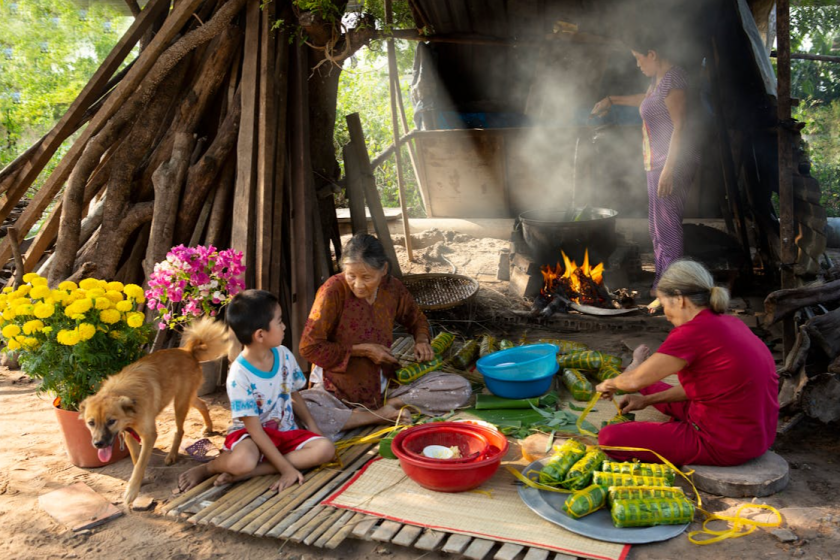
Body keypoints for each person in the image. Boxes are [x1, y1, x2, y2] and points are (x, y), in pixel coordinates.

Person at [594, 260, 778, 466]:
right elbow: (700, 389)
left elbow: (632, 383)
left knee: (610, 437)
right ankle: (638, 372)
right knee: (653, 386)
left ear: (679, 299)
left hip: (724, 443)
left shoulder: (691, 333)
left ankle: (637, 372)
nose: (666, 315)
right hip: (756, 435)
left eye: (664, 305)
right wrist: (647, 401)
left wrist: (608, 384)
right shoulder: (731, 322)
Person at [299, 233, 472, 440]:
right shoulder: (333, 291)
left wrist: (422, 340)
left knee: (460, 388)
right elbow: (309, 347)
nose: (358, 285)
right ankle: (375, 417)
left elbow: (416, 318)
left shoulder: (392, 288)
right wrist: (362, 350)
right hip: (336, 392)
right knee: (302, 412)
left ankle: (393, 406)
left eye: (367, 277)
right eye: (351, 276)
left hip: (385, 388)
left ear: (384, 270)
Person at [178, 290, 335, 493]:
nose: (284, 326)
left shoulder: (284, 355)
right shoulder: (239, 375)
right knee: (242, 461)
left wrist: (313, 427)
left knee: (326, 449)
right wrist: (287, 470)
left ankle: (255, 471)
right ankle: (210, 467)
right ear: (260, 334)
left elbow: (294, 393)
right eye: (279, 322)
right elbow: (255, 430)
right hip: (250, 438)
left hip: (283, 433)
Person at [591, 32, 700, 310]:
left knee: (668, 227)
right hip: (657, 162)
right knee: (657, 226)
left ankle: (673, 293)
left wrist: (669, 170)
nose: (638, 65)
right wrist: (612, 99)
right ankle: (663, 286)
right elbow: (647, 100)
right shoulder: (659, 81)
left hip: (671, 163)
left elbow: (680, 126)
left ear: (652, 54)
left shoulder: (675, 79)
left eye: (639, 59)